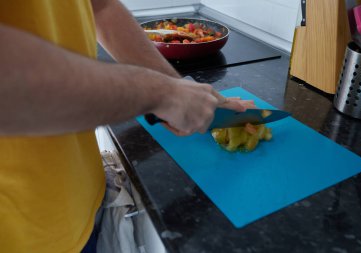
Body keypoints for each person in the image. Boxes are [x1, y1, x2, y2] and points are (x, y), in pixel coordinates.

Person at [0, 0, 251, 252]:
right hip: (22, 231)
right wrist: (164, 94)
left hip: (79, 202)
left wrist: (181, 90)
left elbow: (102, 7)